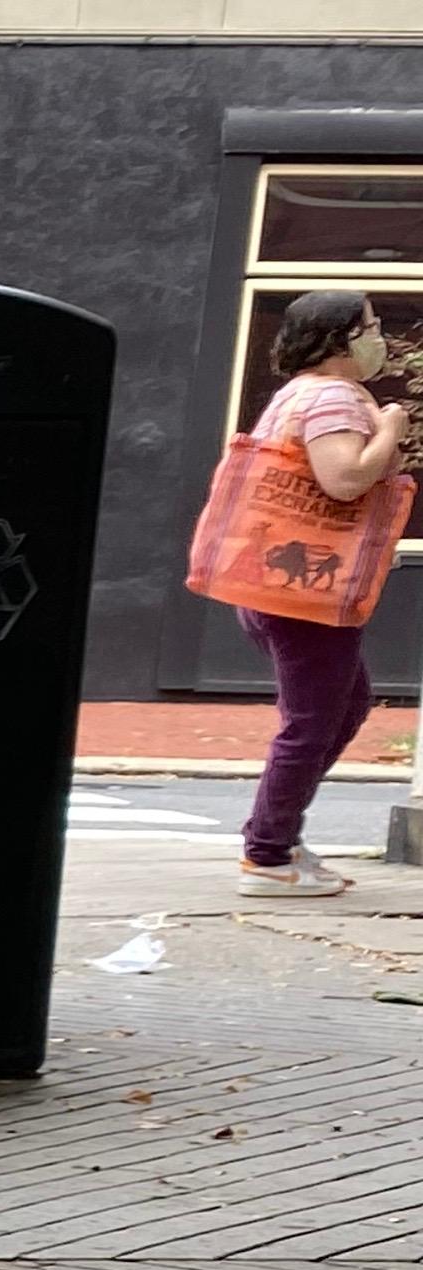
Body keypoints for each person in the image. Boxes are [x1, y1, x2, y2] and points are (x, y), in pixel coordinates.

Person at [230, 291, 409, 898]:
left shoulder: (296, 394)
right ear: (338, 339)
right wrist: (390, 428)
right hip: (307, 586)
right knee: (310, 721)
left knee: (347, 704)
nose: (378, 337)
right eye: (371, 327)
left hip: (276, 580)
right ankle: (268, 856)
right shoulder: (331, 396)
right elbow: (345, 479)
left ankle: (274, 831)